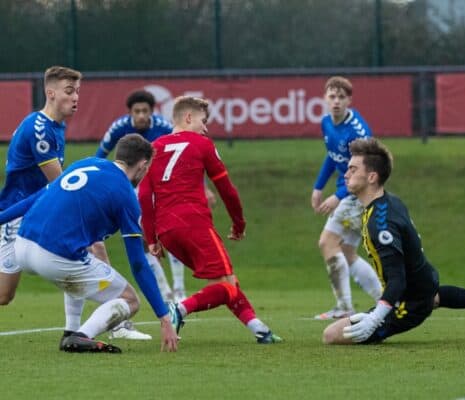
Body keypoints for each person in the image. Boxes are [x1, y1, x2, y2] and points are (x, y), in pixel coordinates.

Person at [322, 138, 465, 345]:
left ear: (372, 177)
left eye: (353, 169)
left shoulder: (381, 225)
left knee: (330, 335)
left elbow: (397, 279)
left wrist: (375, 317)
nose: (346, 175)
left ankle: (396, 313)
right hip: (423, 285)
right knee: (432, 297)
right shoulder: (389, 201)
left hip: (407, 303)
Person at [0, 134, 179, 353]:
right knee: (130, 300)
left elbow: (34, 198)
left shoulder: (85, 163)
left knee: (82, 258)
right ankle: (81, 336)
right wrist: (164, 317)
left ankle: (70, 330)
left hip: (22, 244)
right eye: (148, 167)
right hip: (52, 256)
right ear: (142, 165)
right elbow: (138, 263)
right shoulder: (126, 195)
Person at [138, 96, 282, 344]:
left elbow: (144, 194)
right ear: (188, 118)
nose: (206, 128)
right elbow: (227, 189)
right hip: (194, 225)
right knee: (225, 286)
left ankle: (260, 330)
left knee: (225, 280)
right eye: (204, 121)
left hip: (167, 231)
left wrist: (151, 238)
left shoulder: (155, 147)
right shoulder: (202, 143)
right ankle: (180, 309)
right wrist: (239, 223)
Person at [95, 89, 215, 339]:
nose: (140, 115)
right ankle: (165, 291)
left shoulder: (161, 127)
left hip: (158, 185)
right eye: (136, 111)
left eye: (145, 111)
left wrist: (203, 187)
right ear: (130, 113)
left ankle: (179, 289)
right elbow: (100, 156)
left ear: (152, 112)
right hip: (130, 185)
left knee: (167, 233)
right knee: (144, 238)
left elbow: (184, 157)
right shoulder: (118, 128)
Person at [0, 66, 82, 307]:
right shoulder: (40, 128)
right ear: (51, 93)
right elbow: (59, 183)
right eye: (69, 91)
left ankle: (81, 329)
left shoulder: (56, 126)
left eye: (77, 91)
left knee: (84, 250)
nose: (75, 97)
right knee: (4, 295)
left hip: (36, 211)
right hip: (15, 215)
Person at [311, 76, 382, 320]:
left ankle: (344, 307)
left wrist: (338, 196)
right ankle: (384, 301)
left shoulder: (358, 132)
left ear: (349, 100)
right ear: (325, 99)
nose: (336, 102)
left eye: (342, 97)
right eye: (332, 96)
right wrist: (318, 187)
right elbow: (332, 156)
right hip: (348, 191)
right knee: (347, 251)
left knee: (327, 243)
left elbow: (364, 173)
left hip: (358, 192)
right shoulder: (326, 123)